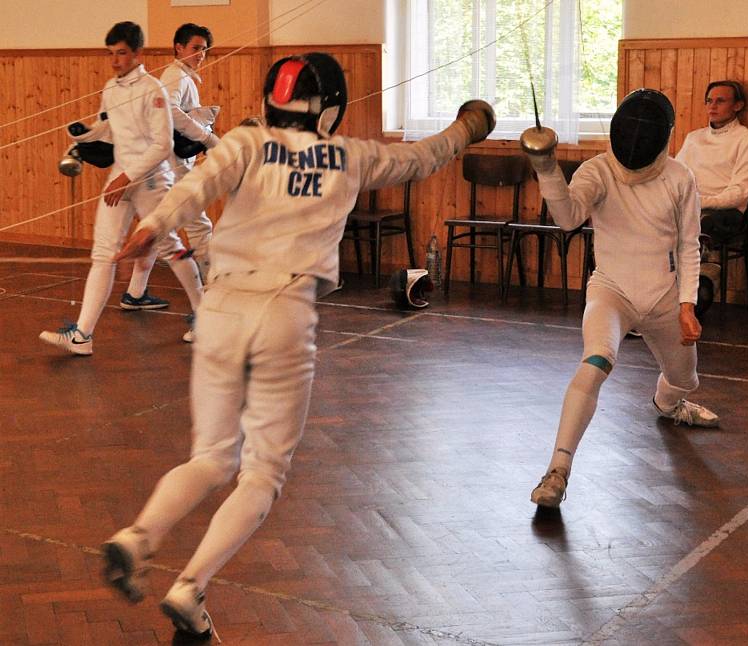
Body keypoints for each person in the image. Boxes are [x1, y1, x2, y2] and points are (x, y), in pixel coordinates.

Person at [100, 52, 496, 638]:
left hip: (222, 308)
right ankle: (190, 587)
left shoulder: (245, 142)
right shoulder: (351, 156)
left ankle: (137, 538)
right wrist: (471, 123)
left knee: (210, 456)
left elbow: (196, 185)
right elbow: (424, 157)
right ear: (330, 108)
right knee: (261, 472)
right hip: (285, 314)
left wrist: (153, 227)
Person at [524, 89, 720, 510]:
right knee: (595, 362)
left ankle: (669, 404)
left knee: (686, 379)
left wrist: (686, 305)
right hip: (612, 291)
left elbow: (689, 246)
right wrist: (546, 168)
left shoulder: (679, 178)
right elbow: (568, 216)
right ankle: (557, 472)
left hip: (665, 296)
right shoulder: (598, 171)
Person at [39, 21, 203, 355]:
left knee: (169, 247)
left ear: (137, 53)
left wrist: (127, 176)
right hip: (121, 178)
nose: (115, 61)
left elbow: (162, 144)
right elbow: (110, 131)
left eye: (122, 53)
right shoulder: (111, 89)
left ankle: (206, 317)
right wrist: (82, 139)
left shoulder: (153, 89)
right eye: (111, 54)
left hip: (152, 179)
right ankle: (82, 336)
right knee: (103, 253)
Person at [155, 22, 220, 286]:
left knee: (158, 227)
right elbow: (169, 112)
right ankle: (213, 284)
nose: (201, 54)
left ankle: (135, 293)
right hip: (173, 162)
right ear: (178, 48)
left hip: (176, 160)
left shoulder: (183, 77)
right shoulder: (175, 76)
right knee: (197, 223)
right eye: (195, 48)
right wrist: (205, 137)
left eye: (204, 49)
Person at [676, 80, 748, 241]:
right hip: (691, 205)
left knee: (698, 223)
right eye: (709, 101)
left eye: (720, 101)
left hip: (724, 212)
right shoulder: (694, 138)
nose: (713, 106)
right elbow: (675, 176)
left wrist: (701, 202)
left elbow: (740, 193)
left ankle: (700, 264)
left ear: (738, 105)